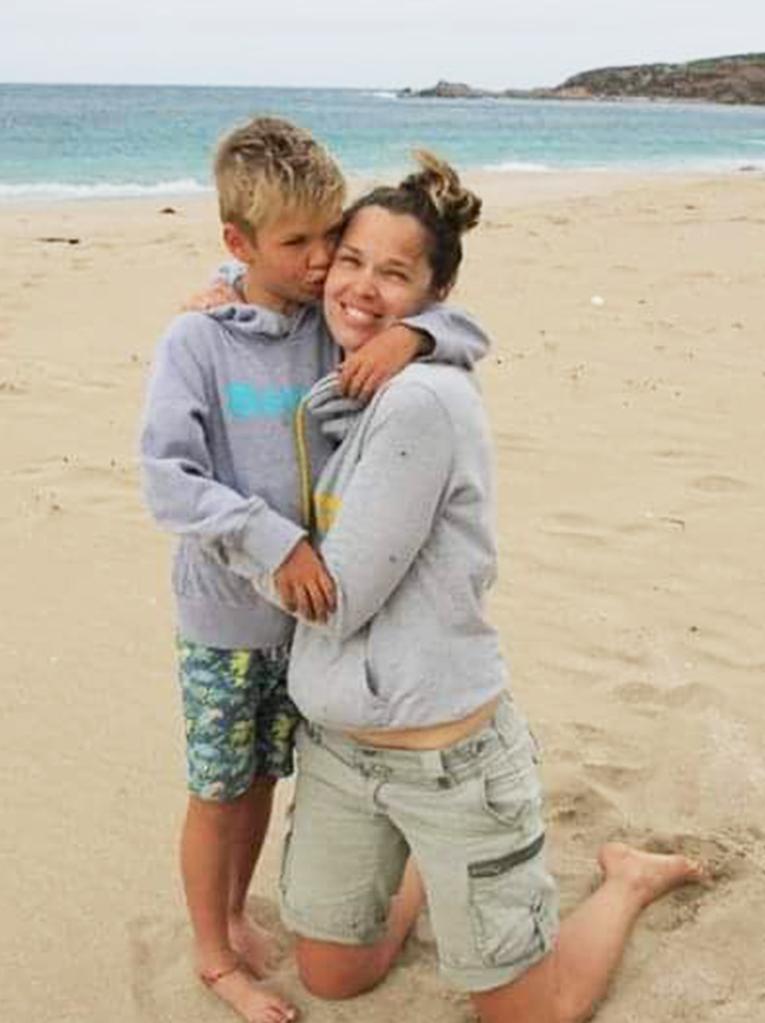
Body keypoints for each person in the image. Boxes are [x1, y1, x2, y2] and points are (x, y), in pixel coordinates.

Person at [253, 152, 707, 1023]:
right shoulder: (359, 364)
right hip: (345, 754)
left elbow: (338, 596)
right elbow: (272, 297)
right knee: (334, 975)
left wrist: (232, 535)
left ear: (435, 288)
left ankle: (628, 880)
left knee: (528, 1015)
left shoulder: (421, 402)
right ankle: (433, 869)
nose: (360, 287)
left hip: (449, 761)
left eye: (394, 275)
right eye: (349, 260)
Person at [140, 118, 490, 1023]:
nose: (319, 261)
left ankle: (232, 909)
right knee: (217, 789)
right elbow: (168, 482)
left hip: (298, 629)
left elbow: (462, 325)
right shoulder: (198, 342)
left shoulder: (319, 331)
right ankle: (213, 952)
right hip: (225, 614)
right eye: (297, 244)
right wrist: (273, 541)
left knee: (263, 779)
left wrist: (414, 340)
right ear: (237, 244)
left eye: (327, 238)